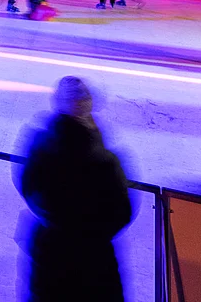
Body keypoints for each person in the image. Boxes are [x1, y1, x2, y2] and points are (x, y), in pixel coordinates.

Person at [18, 76, 132, 302]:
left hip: (50, 254)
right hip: (93, 261)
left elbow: (28, 186)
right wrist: (94, 234)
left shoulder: (41, 144)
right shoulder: (103, 157)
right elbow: (122, 209)